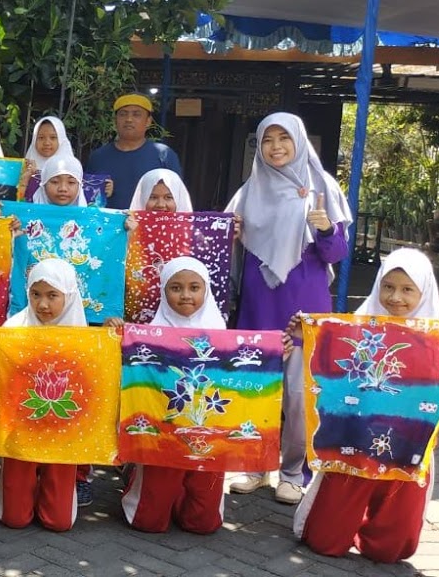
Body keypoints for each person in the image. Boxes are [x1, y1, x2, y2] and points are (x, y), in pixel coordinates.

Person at [293, 248, 439, 563]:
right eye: (388, 286)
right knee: (325, 541)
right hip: (352, 445)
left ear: (424, 292)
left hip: (407, 450)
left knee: (389, 550)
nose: (395, 298)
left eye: (407, 289)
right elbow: (326, 382)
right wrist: (309, 337)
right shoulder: (353, 332)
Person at [225, 112, 352, 505]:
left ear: (299, 141)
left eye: (284, 138)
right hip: (259, 305)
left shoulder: (322, 187)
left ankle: (294, 472)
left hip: (303, 308)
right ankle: (254, 466)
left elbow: (337, 253)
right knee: (257, 388)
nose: (276, 146)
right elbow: (227, 249)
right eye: (268, 139)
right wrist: (230, 234)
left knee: (298, 397)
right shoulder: (249, 191)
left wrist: (326, 228)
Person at [119, 257, 228, 535]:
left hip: (207, 436)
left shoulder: (222, 334)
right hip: (163, 433)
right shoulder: (150, 335)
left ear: (206, 290)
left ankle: (180, 494)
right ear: (164, 291)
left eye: (194, 287)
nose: (186, 295)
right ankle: (136, 473)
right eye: (176, 288)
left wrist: (278, 352)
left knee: (203, 523)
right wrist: (116, 336)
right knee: (148, 521)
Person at [0, 258, 89, 530]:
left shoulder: (84, 338)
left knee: (59, 521)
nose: (43, 304)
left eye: (52, 295)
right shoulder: (13, 329)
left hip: (63, 430)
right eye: (35, 294)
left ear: (68, 295)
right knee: (14, 518)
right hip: (21, 428)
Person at [85, 94, 182, 210]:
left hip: (149, 220)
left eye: (136, 114)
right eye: (123, 114)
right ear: (115, 120)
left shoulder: (164, 155)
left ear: (148, 121)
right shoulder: (98, 157)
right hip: (107, 220)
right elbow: (87, 197)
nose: (129, 119)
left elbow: (176, 196)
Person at [124, 168, 194, 232]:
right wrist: (132, 234)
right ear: (142, 199)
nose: (160, 205)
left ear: (179, 199)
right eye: (153, 197)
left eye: (168, 197)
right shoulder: (126, 226)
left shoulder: (193, 235)